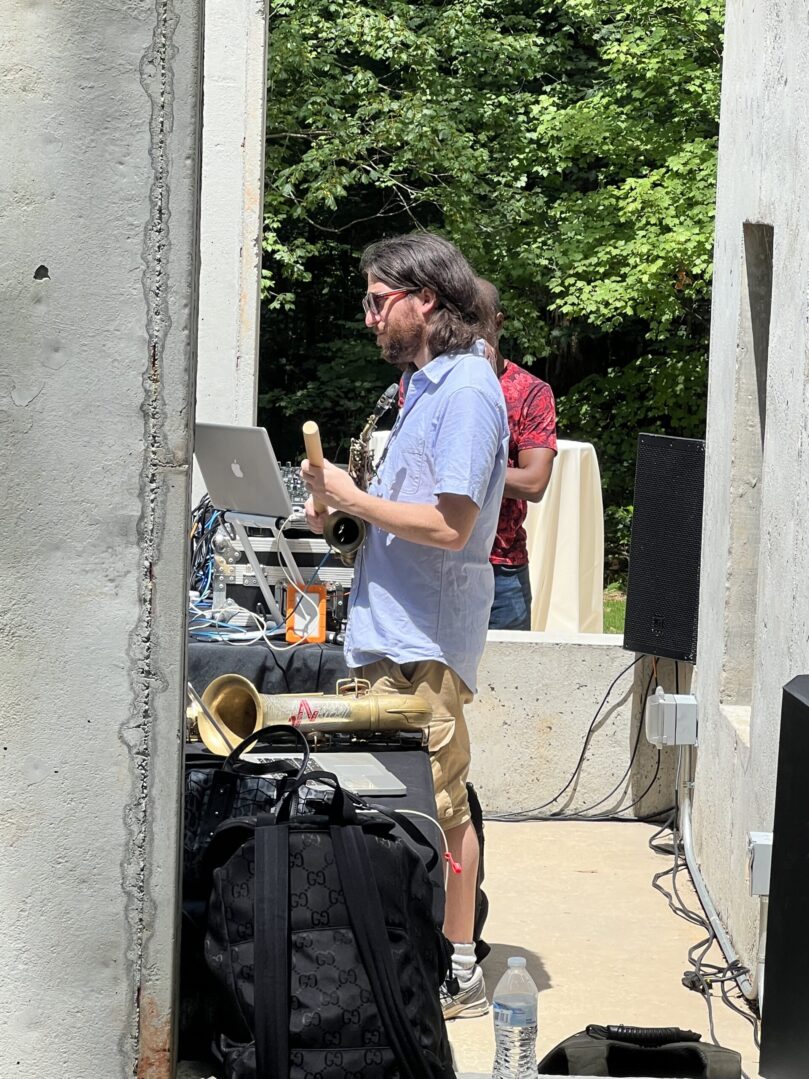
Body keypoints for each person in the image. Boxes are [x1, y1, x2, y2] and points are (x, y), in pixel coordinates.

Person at [301, 232, 509, 1019]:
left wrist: (353, 496)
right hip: (386, 629)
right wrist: (335, 511)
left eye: (377, 300)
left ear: (426, 299)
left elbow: (451, 525)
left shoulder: (464, 390)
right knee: (384, 803)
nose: (367, 317)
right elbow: (389, 521)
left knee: (443, 804)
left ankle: (458, 967)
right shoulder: (417, 387)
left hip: (426, 635)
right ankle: (402, 945)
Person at [477, 278, 557, 631]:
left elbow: (535, 482)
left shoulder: (530, 392)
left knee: (504, 685)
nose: (468, 332)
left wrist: (461, 471)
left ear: (498, 322)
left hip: (501, 566)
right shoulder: (424, 383)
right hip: (439, 561)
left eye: (476, 321)